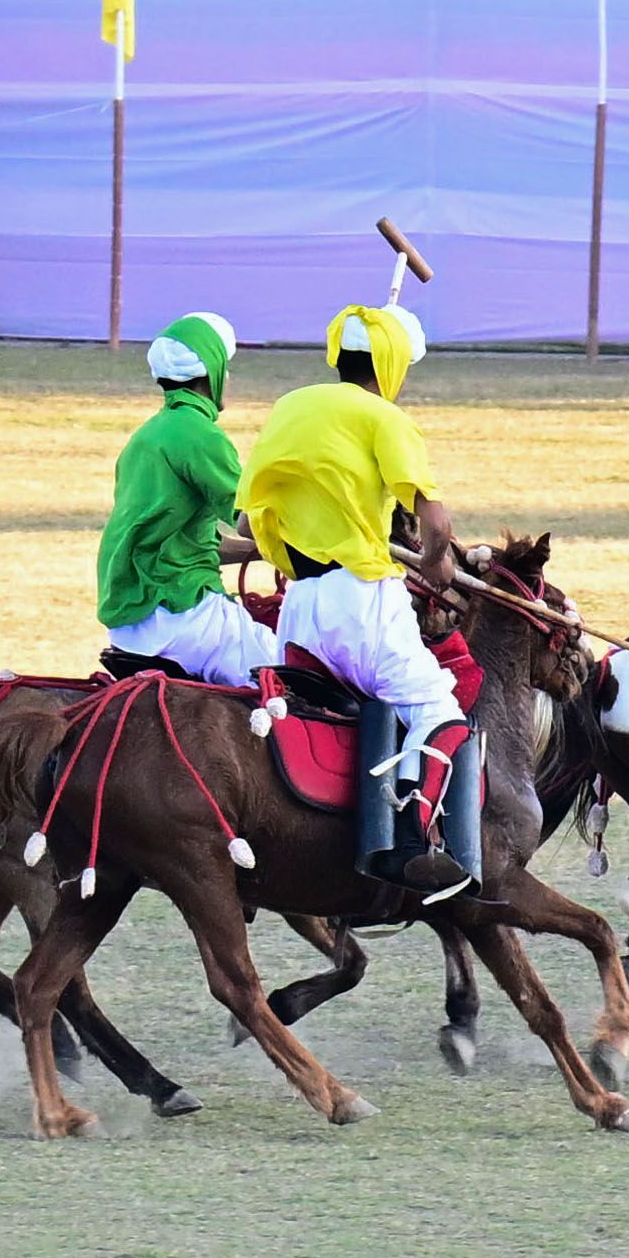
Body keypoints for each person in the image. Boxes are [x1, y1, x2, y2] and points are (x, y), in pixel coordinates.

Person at [239, 302, 472, 895]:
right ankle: (416, 842)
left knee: (322, 711)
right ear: (391, 364)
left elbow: (249, 520)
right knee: (438, 709)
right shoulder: (385, 418)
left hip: (299, 606)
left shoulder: (290, 407)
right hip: (363, 603)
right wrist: (438, 563)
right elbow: (435, 522)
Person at [96, 310, 284, 685]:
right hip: (182, 613)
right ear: (212, 372)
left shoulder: (146, 437)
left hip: (131, 623)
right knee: (293, 675)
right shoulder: (201, 436)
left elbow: (188, 544)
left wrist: (264, 552)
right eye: (225, 368)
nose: (228, 378)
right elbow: (249, 521)